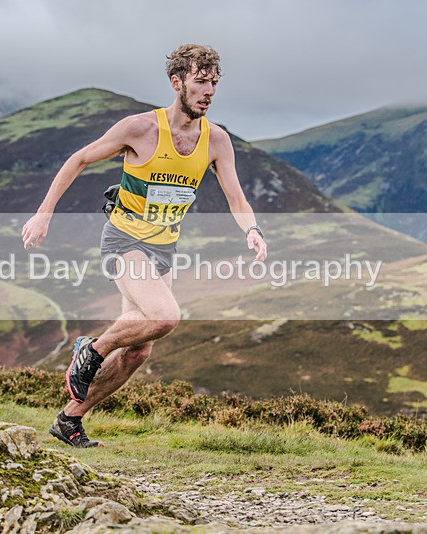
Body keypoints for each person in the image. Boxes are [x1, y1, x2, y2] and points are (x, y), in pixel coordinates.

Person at [22, 44, 268, 447]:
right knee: (166, 316)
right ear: (177, 83)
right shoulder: (140, 129)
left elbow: (237, 199)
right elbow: (79, 159)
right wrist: (44, 212)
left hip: (164, 250)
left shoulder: (216, 141)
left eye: (214, 84)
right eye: (200, 83)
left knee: (138, 352)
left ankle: (70, 419)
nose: (209, 92)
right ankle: (92, 348)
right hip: (124, 240)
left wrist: (252, 230)